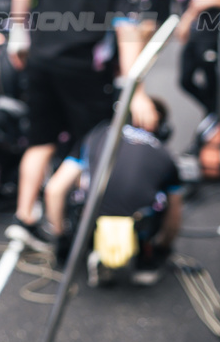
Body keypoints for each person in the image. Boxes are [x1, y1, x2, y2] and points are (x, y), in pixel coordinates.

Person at [5, 0, 158, 252]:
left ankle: (24, 218)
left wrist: (18, 37)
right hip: (82, 70)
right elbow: (127, 31)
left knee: (40, 140)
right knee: (92, 140)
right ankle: (61, 223)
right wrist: (137, 90)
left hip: (41, 62)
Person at [42, 99, 182, 284]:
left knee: (80, 190)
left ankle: (88, 247)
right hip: (140, 221)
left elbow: (54, 189)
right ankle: (146, 259)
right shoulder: (164, 153)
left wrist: (61, 240)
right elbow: (175, 215)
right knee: (162, 198)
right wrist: (163, 247)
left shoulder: (97, 135)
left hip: (91, 217)